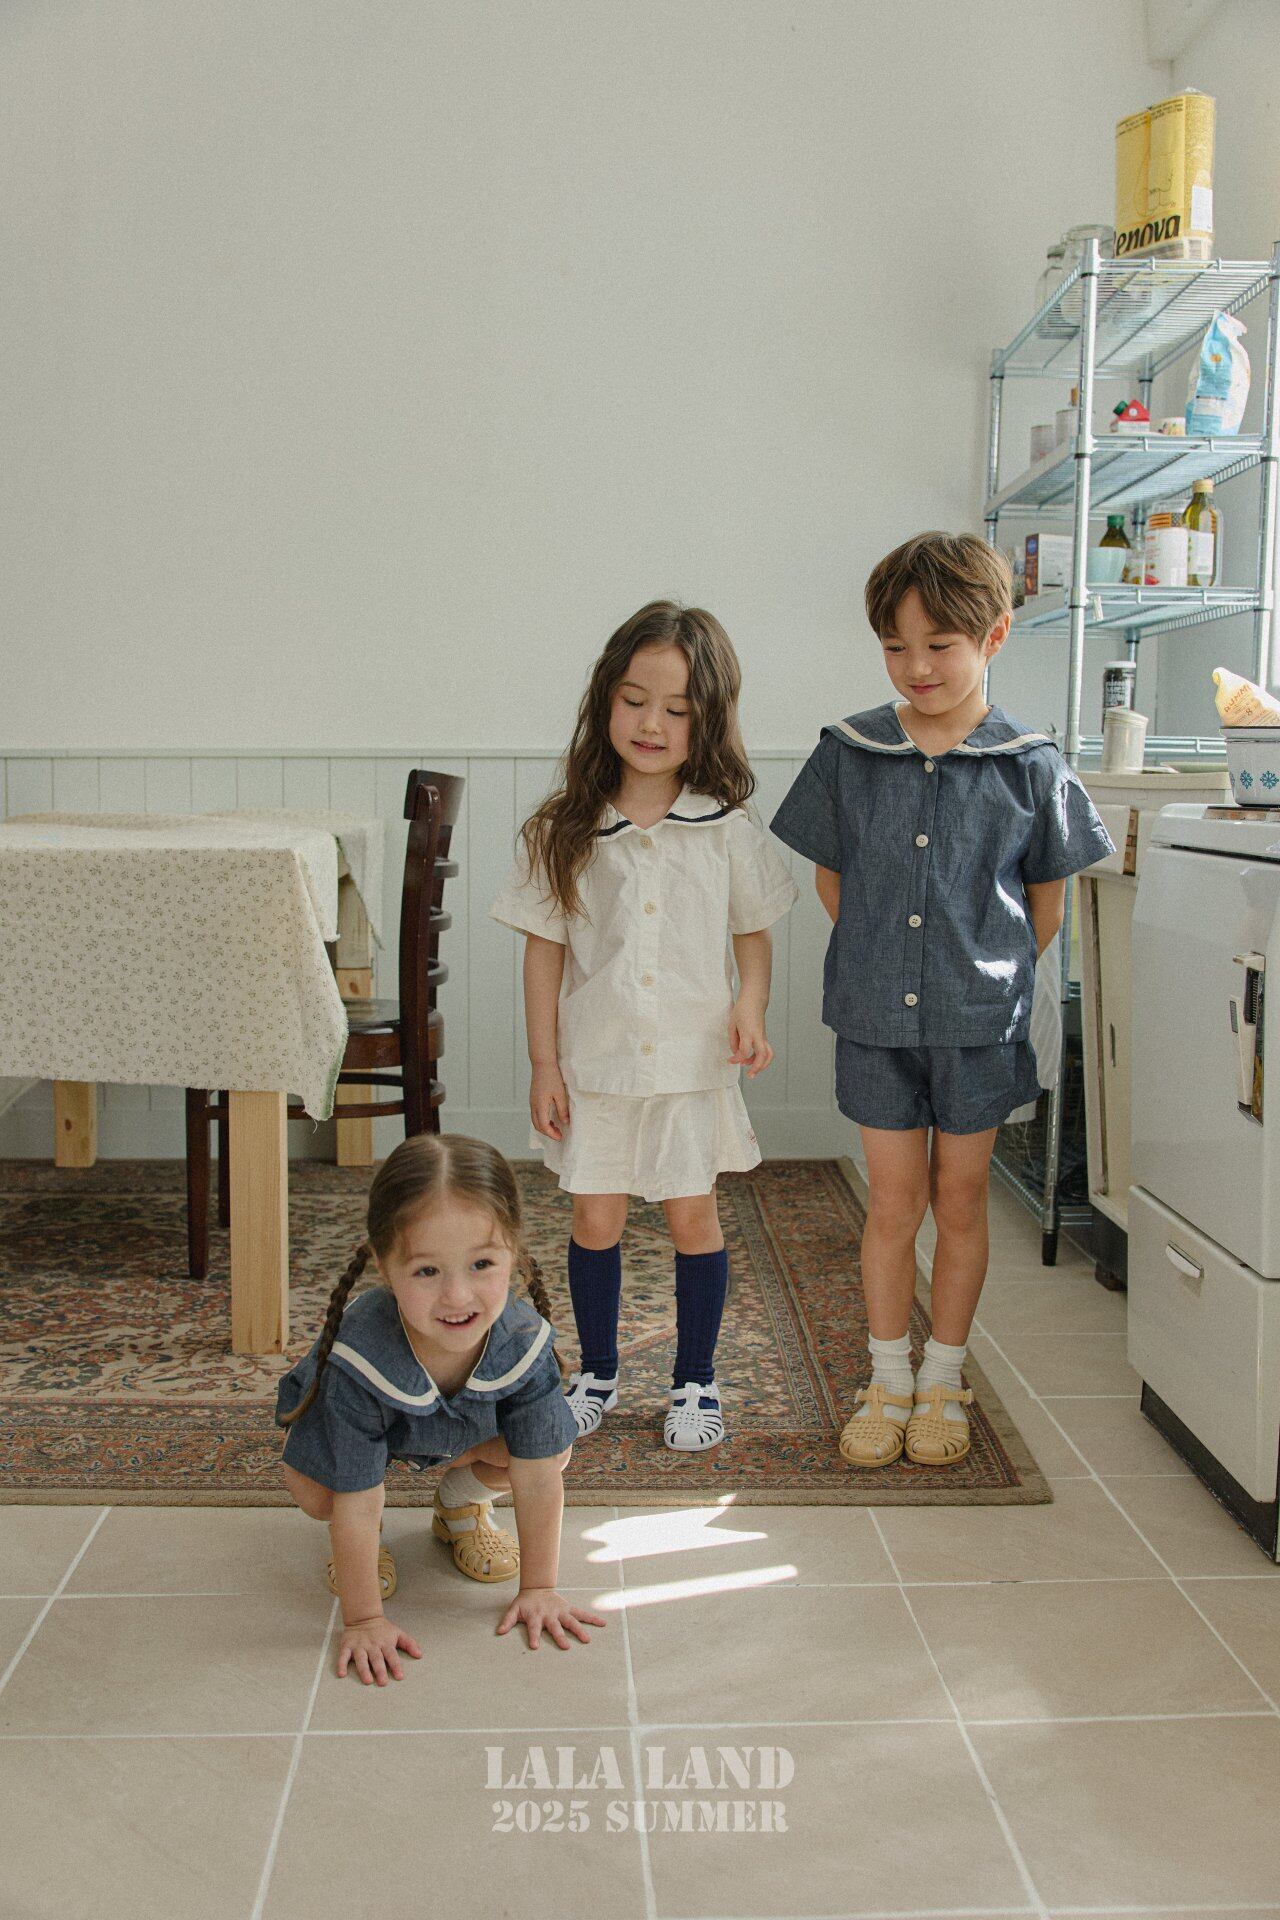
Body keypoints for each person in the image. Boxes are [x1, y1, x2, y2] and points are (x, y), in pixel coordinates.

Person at [771, 533, 1113, 1468]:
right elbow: (835, 883)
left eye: (940, 645)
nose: (916, 666)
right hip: (874, 1020)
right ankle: (887, 1377)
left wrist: (976, 975)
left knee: (960, 1201)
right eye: (896, 646)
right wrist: (890, 961)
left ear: (994, 635)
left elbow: (1046, 902)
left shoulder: (1031, 763)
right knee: (893, 1202)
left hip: (980, 1026)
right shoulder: (849, 751)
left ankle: (943, 1378)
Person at [491, 600, 797, 1453]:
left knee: (695, 1219)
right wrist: (544, 1064)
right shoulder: (564, 830)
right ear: (605, 701)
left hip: (694, 1067)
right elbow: (544, 953)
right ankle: (597, 1371)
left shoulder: (727, 830)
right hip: (597, 1066)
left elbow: (753, 934)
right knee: (595, 1222)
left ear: (709, 720)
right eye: (634, 701)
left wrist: (750, 1003)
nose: (652, 724)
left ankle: (696, 1377)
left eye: (678, 709)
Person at [276, 1133, 604, 1684]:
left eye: (482, 1264)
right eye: (427, 1271)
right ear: (384, 1265)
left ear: (514, 1253)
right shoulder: (358, 1356)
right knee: (318, 1490)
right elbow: (356, 1497)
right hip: (374, 1445)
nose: (457, 1297)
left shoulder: (521, 1341)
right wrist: (364, 1620)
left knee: (550, 1450)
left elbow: (538, 1478)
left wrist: (540, 1589)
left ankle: (459, 1507)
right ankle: (364, 1548)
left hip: (463, 1437)